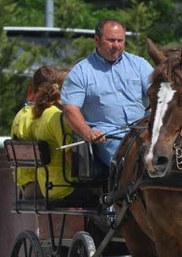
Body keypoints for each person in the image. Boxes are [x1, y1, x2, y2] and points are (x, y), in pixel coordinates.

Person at [61, 18, 154, 169]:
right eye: (111, 40)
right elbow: (70, 109)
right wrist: (88, 132)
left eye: (120, 40)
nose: (116, 45)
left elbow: (157, 94)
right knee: (131, 163)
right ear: (97, 40)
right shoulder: (81, 72)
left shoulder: (139, 64)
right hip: (109, 138)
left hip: (143, 131)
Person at [31, 69, 97, 204]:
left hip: (48, 185)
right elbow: (72, 161)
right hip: (63, 187)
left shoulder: (44, 113)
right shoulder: (58, 117)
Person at [11, 66, 62, 198]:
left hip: (26, 186)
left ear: (31, 89)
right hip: (44, 186)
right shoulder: (51, 116)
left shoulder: (20, 115)